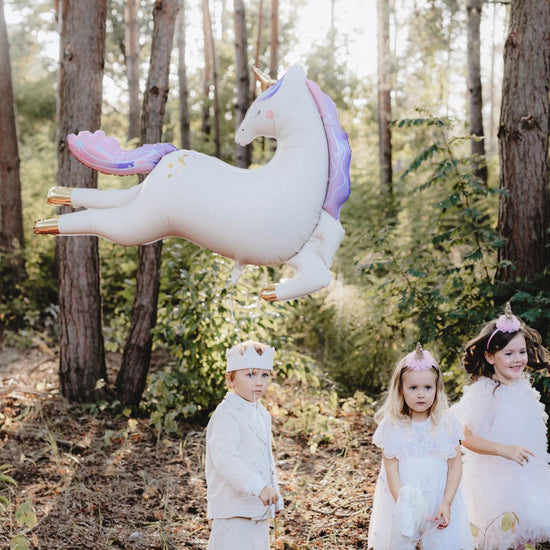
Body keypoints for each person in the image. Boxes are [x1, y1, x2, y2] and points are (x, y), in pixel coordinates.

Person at [452, 302, 550, 550]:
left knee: (526, 535)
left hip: (528, 477)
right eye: (509, 353)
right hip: (496, 481)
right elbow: (463, 436)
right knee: (506, 536)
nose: (518, 359)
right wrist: (503, 449)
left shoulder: (523, 388)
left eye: (521, 352)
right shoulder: (485, 393)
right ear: (490, 356)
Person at [367, 343, 473, 550]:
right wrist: (405, 507)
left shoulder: (447, 423)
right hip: (404, 500)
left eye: (427, 387)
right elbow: (391, 470)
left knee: (440, 543)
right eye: (413, 388)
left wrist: (447, 503)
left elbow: (455, 465)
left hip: (439, 498)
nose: (421, 394)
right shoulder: (392, 425)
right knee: (402, 542)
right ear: (401, 389)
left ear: (437, 389)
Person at [205, 340, 283, 550]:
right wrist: (258, 487)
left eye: (264, 375)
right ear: (230, 379)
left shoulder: (262, 413)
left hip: (258, 507)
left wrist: (275, 493)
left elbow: (267, 457)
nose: (259, 382)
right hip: (233, 509)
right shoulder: (226, 414)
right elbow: (225, 460)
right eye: (250, 374)